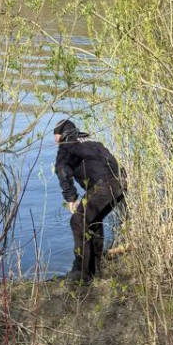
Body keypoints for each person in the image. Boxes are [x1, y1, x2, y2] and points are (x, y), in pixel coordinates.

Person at [53, 118, 126, 284]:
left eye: (55, 136)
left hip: (104, 186)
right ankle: (94, 270)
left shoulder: (67, 145)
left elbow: (62, 170)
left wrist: (71, 198)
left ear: (61, 135)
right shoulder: (93, 142)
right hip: (120, 182)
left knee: (78, 221)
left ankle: (81, 272)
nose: (54, 141)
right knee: (92, 220)